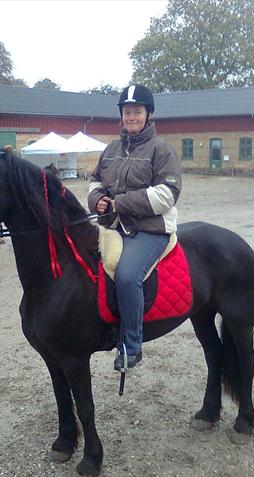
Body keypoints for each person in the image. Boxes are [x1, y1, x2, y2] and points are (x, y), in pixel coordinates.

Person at [88, 84, 182, 372]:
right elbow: (95, 181)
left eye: (137, 111)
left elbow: (168, 194)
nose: (131, 116)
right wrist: (97, 199)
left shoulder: (161, 150)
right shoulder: (111, 149)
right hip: (112, 226)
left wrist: (120, 203)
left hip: (150, 229)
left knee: (127, 275)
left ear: (148, 114)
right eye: (127, 111)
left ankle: (131, 345)